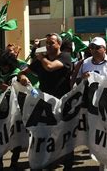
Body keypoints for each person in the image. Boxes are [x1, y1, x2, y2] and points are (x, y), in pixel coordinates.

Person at [18, 33, 74, 169]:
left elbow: (50, 67)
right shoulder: (40, 60)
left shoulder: (65, 57)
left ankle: (67, 164)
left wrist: (41, 57)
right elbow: (22, 72)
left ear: (59, 44)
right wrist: (22, 77)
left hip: (62, 103)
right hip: (45, 104)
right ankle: (47, 161)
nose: (48, 46)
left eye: (51, 43)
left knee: (64, 135)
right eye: (47, 43)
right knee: (46, 134)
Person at [0, 51, 22, 170]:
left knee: (15, 136)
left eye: (6, 65)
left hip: (14, 110)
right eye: (2, 64)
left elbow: (7, 88)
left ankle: (14, 162)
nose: (4, 67)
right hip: (0, 109)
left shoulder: (15, 74)